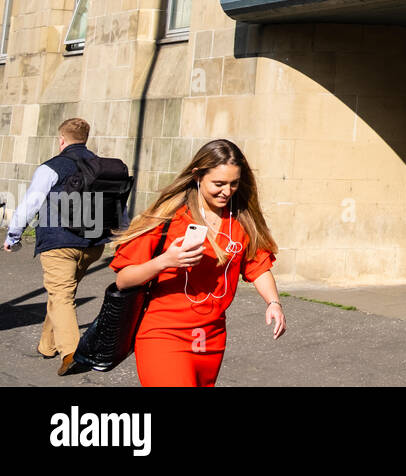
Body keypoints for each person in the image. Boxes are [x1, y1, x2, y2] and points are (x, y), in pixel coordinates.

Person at [110, 139, 286, 386]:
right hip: (164, 335)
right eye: (219, 184)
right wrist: (164, 261)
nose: (227, 191)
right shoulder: (169, 217)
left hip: (211, 340)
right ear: (197, 176)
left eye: (234, 183)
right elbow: (123, 279)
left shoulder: (241, 220)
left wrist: (273, 303)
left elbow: (258, 267)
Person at [3, 118, 129, 376]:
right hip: (93, 245)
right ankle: (47, 346)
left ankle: (72, 353)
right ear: (86, 138)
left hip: (58, 244)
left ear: (61, 140)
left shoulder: (52, 167)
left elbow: (30, 204)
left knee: (61, 295)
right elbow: (119, 204)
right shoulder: (103, 167)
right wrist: (124, 234)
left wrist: (13, 236)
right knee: (63, 292)